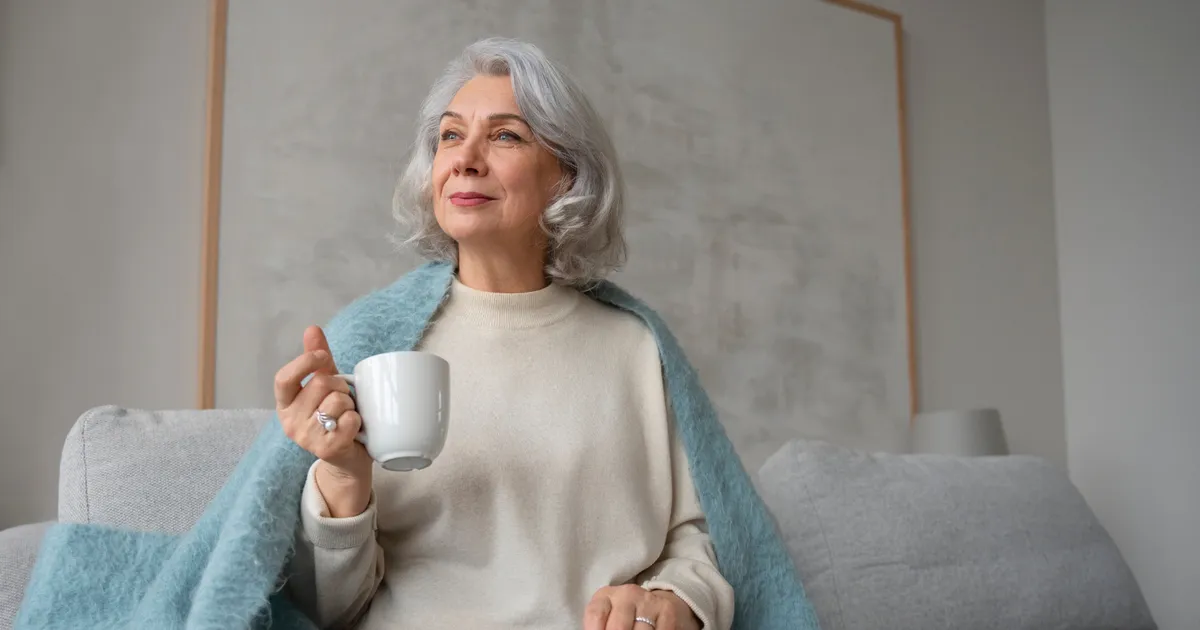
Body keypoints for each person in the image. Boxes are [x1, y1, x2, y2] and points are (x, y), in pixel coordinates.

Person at [275, 38, 734, 630]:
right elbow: (322, 611)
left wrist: (674, 603)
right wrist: (343, 477)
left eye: (504, 135)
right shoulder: (371, 346)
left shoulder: (638, 349)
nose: (464, 158)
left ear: (566, 176)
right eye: (449, 136)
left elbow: (698, 537)